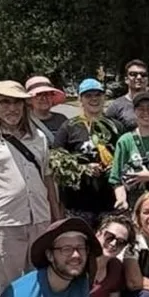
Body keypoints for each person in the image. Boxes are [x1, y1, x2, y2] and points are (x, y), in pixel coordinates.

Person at [0, 81, 61, 297]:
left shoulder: (39, 138)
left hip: (40, 220)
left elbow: (47, 180)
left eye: (17, 102)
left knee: (39, 281)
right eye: (4, 102)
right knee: (5, 286)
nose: (11, 108)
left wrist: (55, 217)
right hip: (4, 223)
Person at [53, 77, 120, 228]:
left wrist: (115, 166)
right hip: (79, 204)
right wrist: (83, 169)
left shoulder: (115, 126)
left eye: (98, 95)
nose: (94, 99)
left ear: (104, 97)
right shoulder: (69, 127)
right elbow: (56, 164)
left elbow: (127, 156)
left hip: (110, 203)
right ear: (80, 100)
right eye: (88, 95)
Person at [105, 59, 149, 133]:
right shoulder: (115, 107)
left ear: (147, 80)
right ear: (126, 79)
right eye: (133, 74)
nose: (139, 77)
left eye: (143, 75)